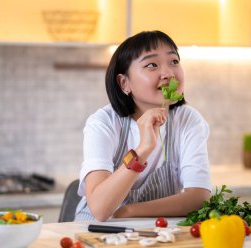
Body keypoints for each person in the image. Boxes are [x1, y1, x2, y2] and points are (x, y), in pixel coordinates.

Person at [75, 30, 211, 221]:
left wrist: (128, 211)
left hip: (155, 232)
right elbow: (100, 208)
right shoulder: (103, 122)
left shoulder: (188, 120)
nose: (168, 73)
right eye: (152, 65)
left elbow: (199, 197)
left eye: (174, 61)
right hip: (94, 232)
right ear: (124, 83)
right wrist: (143, 149)